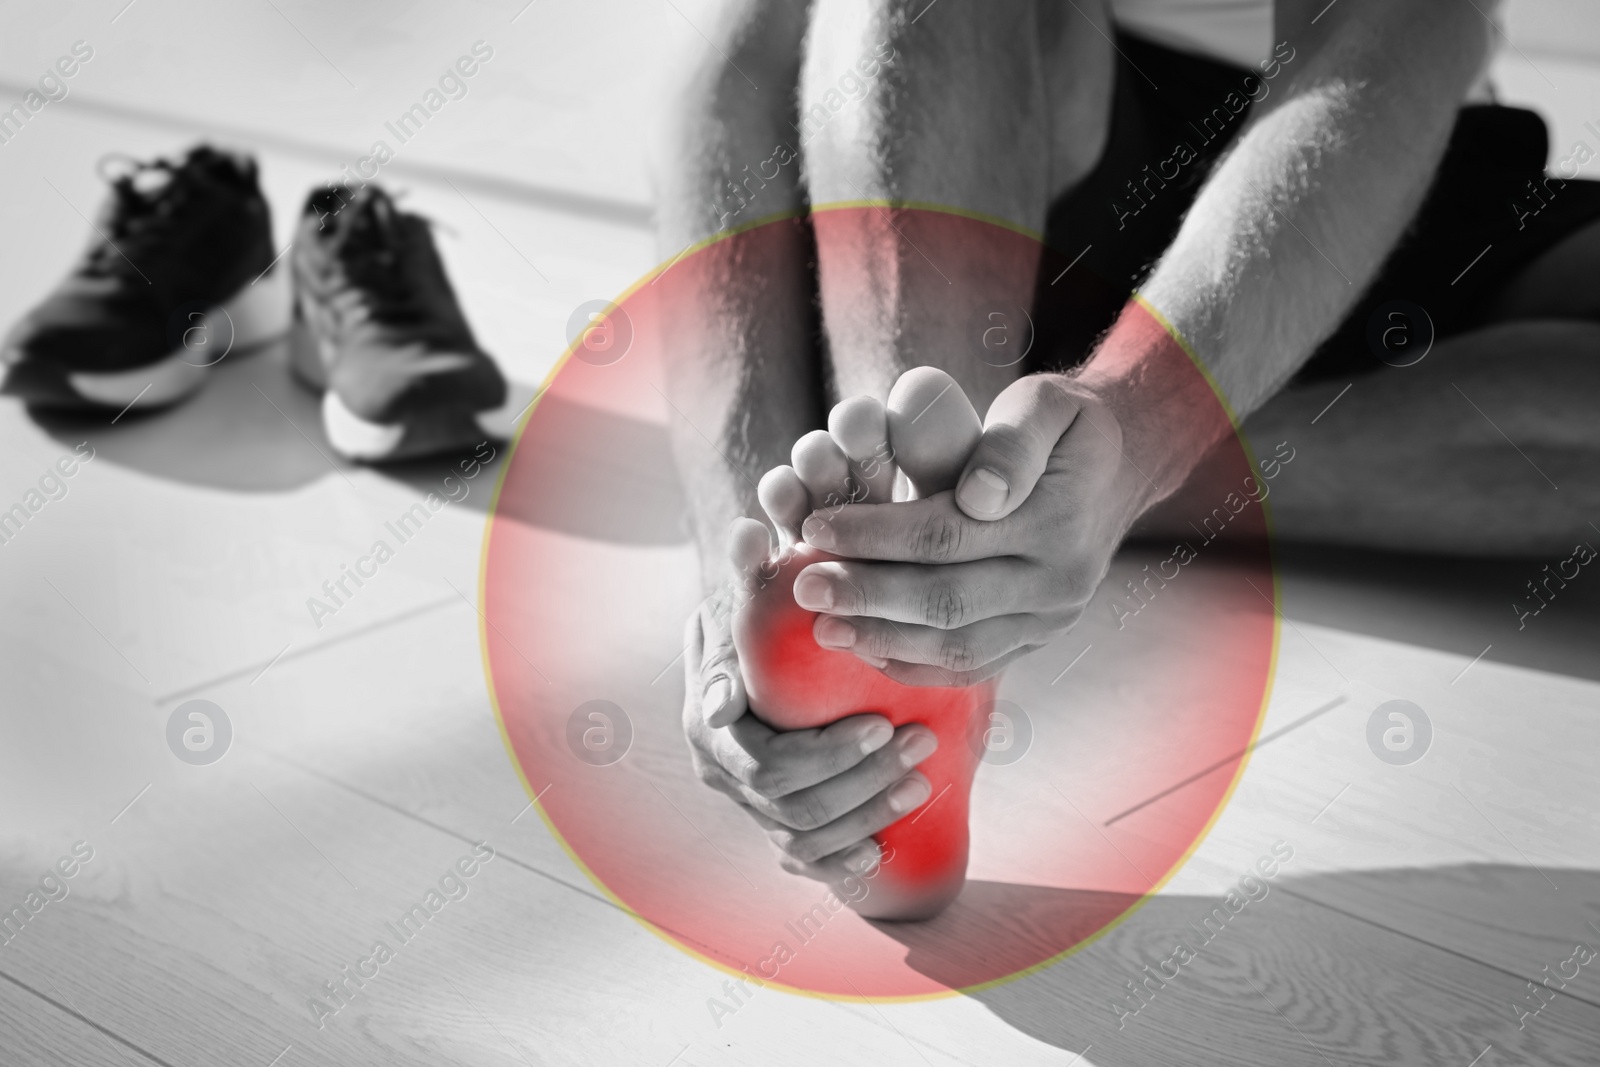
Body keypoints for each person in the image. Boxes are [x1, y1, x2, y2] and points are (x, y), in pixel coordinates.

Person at [656, 0, 1600, 893]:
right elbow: (737, 69)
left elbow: (1400, 31)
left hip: (1370, 159)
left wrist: (1140, 433)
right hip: (1033, 147)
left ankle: (993, 526)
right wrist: (736, 581)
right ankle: (919, 563)